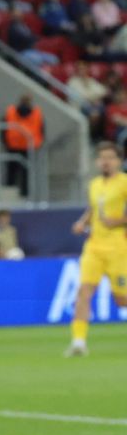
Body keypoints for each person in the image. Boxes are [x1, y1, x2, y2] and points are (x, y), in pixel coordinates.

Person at [65, 142, 127, 357]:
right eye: (102, 158)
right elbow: (92, 208)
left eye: (110, 157)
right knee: (84, 291)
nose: (105, 162)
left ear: (119, 161)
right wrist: (82, 222)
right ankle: (78, 342)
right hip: (93, 246)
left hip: (118, 248)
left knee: (121, 299)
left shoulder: (124, 183)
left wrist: (118, 221)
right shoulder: (94, 184)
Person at [4, 95, 44, 198]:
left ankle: (8, 192)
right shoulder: (36, 113)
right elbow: (42, 130)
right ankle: (25, 193)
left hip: (13, 145)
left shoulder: (11, 111)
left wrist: (5, 142)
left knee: (11, 171)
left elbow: (4, 129)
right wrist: (39, 143)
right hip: (29, 146)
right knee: (26, 172)